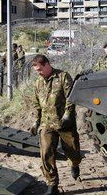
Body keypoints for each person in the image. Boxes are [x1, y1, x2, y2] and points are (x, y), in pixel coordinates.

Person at [29, 54, 81, 195]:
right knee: (46, 152)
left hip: (65, 123)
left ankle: (75, 164)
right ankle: (52, 184)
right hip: (47, 124)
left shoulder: (63, 76)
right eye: (36, 71)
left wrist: (67, 114)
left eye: (40, 69)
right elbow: (36, 104)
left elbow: (71, 97)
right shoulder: (38, 82)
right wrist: (35, 121)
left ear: (47, 64)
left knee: (73, 152)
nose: (38, 73)